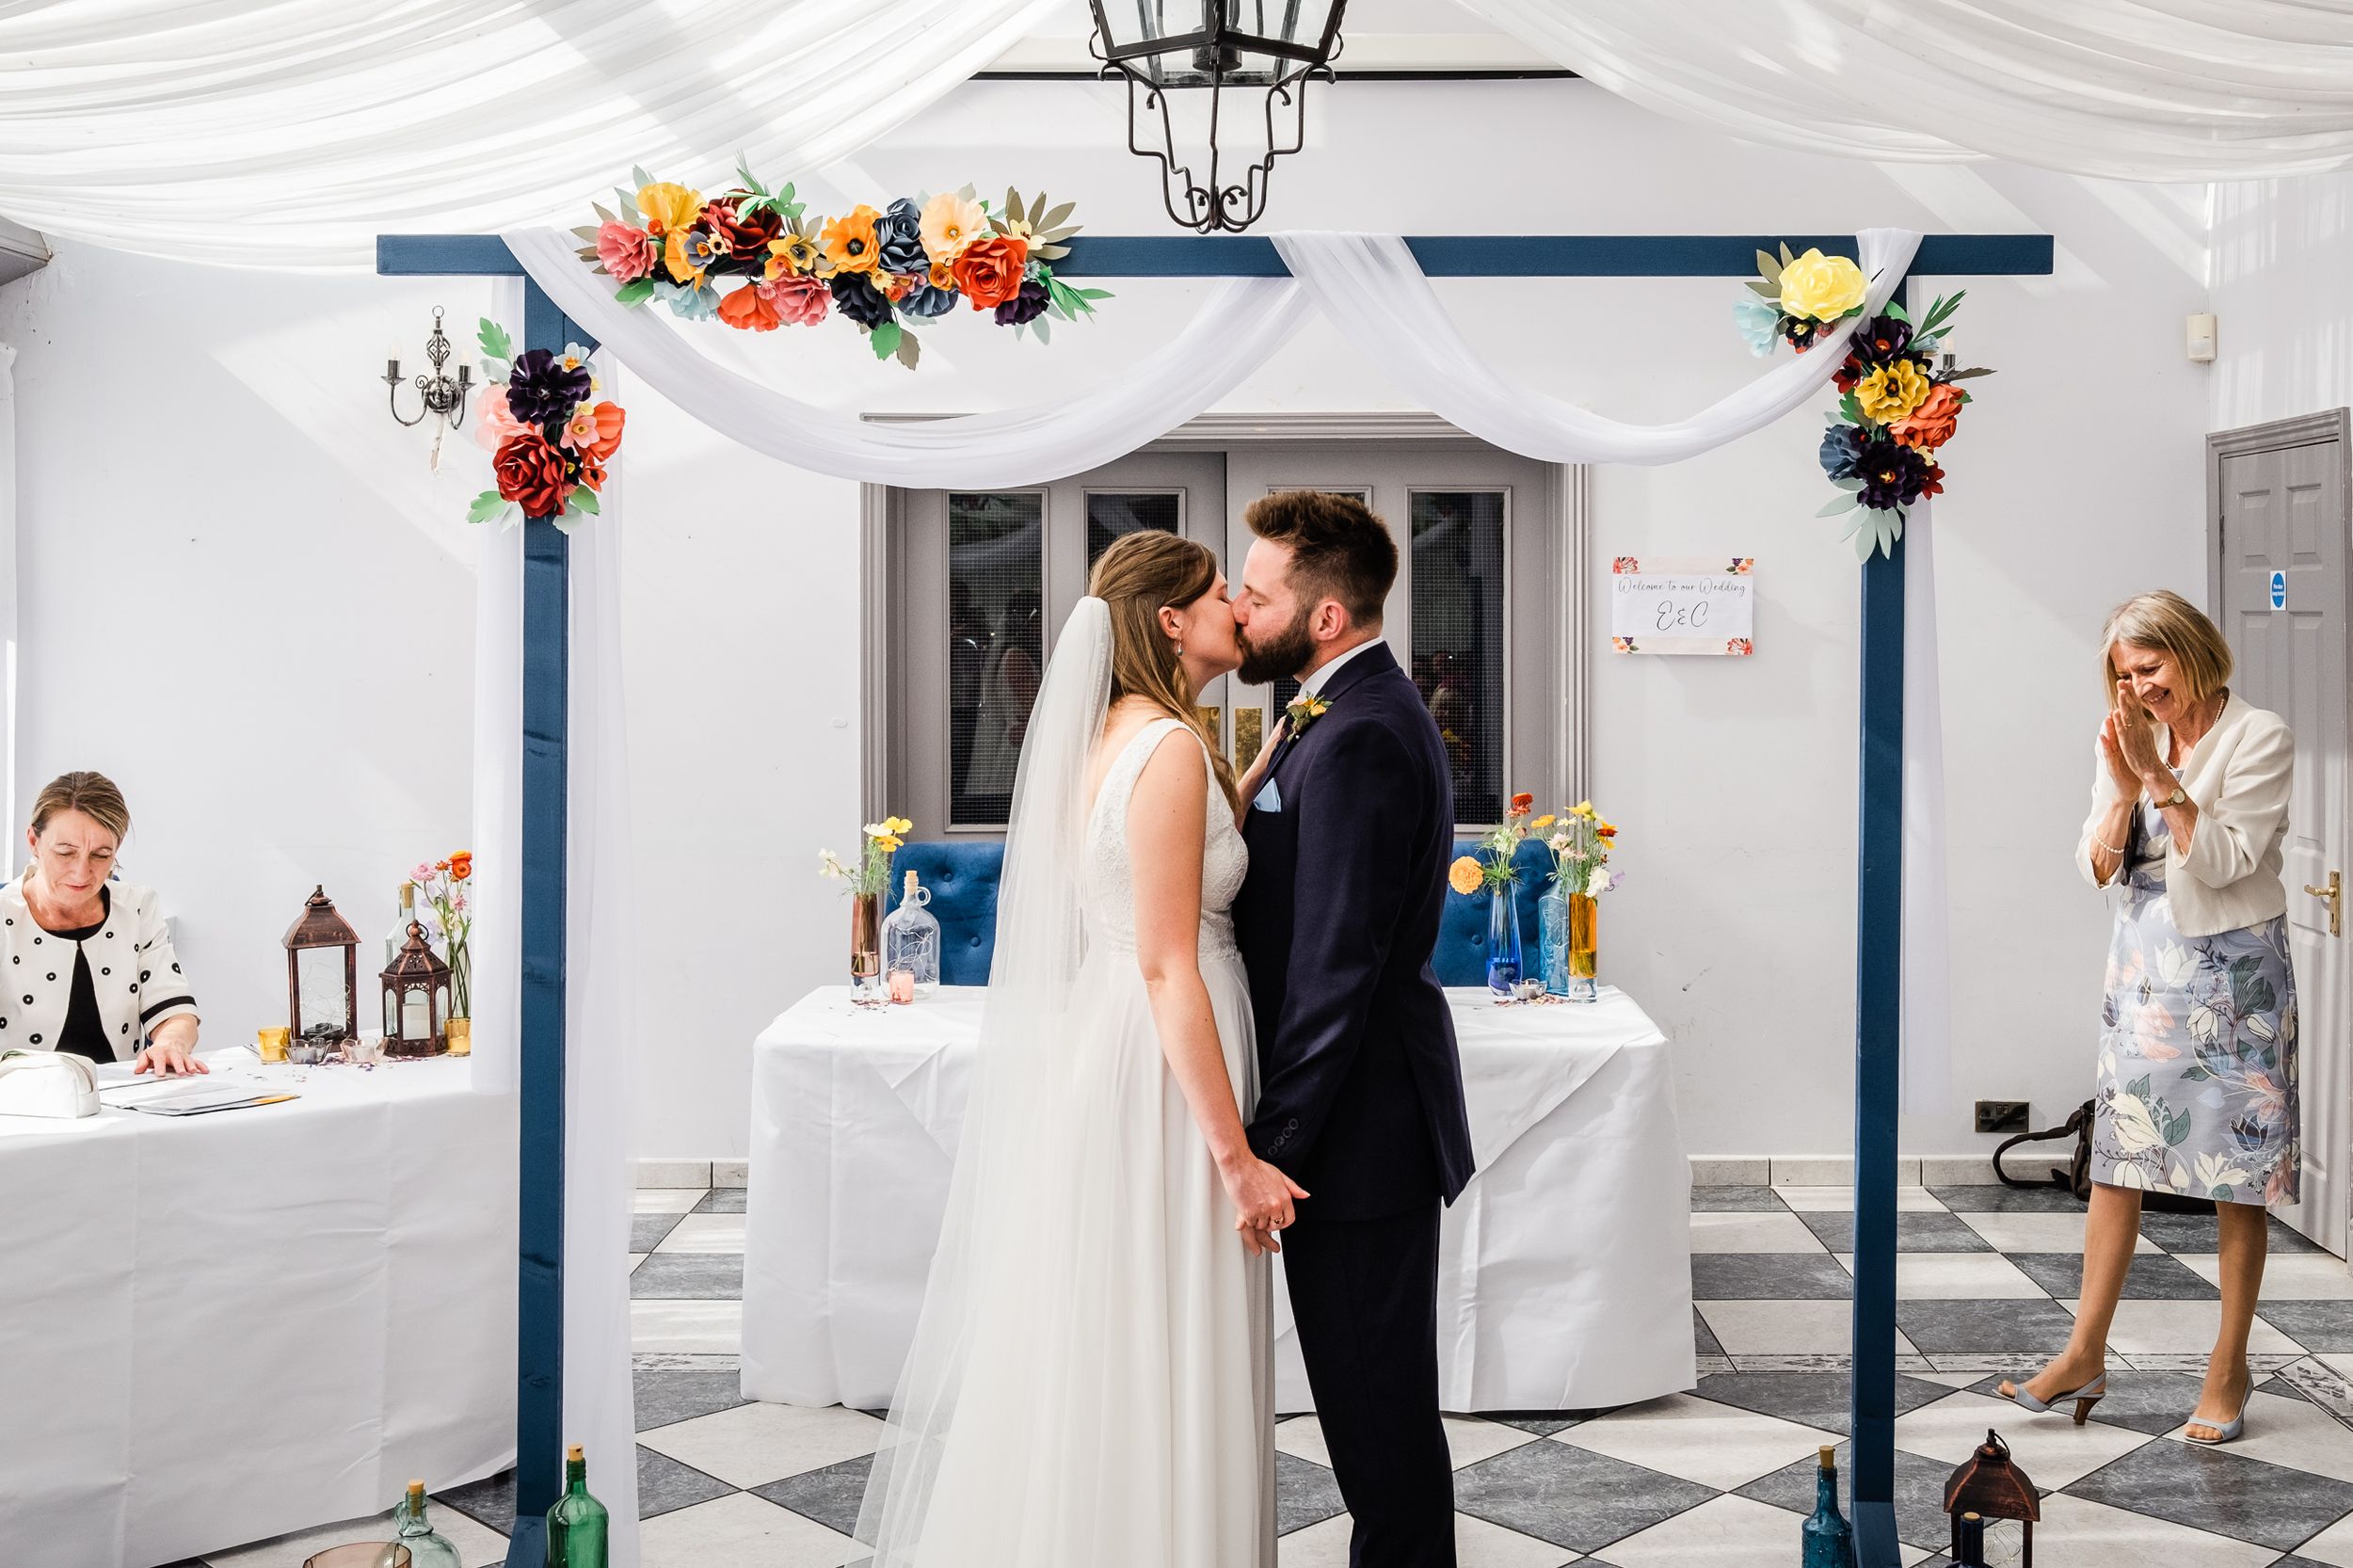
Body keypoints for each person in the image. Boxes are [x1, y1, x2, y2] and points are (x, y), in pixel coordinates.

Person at [856, 532, 1301, 1566]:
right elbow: (1167, 964)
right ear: (1171, 620)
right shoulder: (1171, 748)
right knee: (1167, 1322)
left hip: (1117, 1044)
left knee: (1118, 1322)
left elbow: (1151, 878)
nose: (1237, 606)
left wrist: (1245, 786)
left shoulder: (1114, 737)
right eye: (1218, 592)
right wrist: (1235, 1157)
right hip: (1164, 1063)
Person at [1230, 490, 1477, 1567]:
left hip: (1359, 1137)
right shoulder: (1330, 709)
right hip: (1354, 1126)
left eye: (1257, 594)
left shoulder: (1365, 731)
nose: (1240, 611)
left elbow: (1337, 965)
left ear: (1325, 616)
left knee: (1379, 1427)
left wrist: (1271, 1149)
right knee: (1370, 1416)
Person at [2001, 589, 2297, 1445]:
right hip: (2144, 971)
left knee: (2237, 1174)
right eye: (2125, 675)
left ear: (2193, 651)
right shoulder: (2128, 735)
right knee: (2119, 1159)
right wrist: (2122, 788)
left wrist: (2159, 779)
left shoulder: (2260, 735)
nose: (2138, 688)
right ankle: (2083, 1353)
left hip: (2236, 973)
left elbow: (2228, 859)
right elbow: (2097, 864)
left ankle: (2228, 1366)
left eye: (2151, 667)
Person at [0, 770, 203, 1075]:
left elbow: (173, 1008)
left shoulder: (137, 907)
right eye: (65, 853)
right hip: (22, 1098)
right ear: (33, 841)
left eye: (100, 855)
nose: (81, 873)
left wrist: (170, 1042)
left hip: (125, 1094)